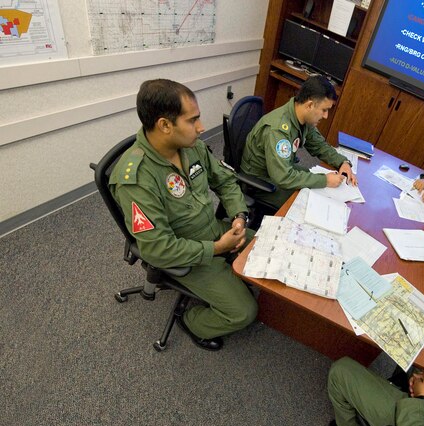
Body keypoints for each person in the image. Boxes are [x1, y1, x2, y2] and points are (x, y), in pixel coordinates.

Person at [109, 79, 257, 352]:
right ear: (165, 125)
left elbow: (224, 181)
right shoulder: (136, 179)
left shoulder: (191, 146)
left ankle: (228, 270)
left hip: (215, 230)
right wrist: (215, 249)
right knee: (244, 312)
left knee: (268, 248)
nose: (201, 128)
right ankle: (191, 321)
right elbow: (157, 249)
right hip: (188, 252)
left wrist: (238, 216)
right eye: (193, 120)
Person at [241, 75, 357, 209]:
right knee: (313, 205)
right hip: (261, 183)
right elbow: (283, 177)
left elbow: (319, 145)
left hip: (280, 169)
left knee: (320, 191)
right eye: (324, 110)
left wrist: (342, 162)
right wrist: (325, 180)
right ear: (310, 105)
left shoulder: (302, 118)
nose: (325, 116)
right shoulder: (278, 130)